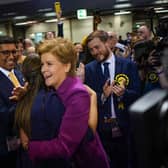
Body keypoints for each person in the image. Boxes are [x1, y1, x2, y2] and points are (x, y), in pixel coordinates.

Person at [18, 38, 110, 168]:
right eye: (42, 64)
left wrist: (29, 146)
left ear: (67, 66)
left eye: (49, 64)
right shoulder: (58, 87)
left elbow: (65, 147)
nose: (43, 69)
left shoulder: (76, 94)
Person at [82, 30, 141, 168]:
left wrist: (123, 94)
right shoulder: (89, 69)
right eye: (91, 50)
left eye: (97, 47)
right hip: (102, 131)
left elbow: (138, 95)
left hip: (126, 128)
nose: (95, 52)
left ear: (107, 43)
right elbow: (87, 101)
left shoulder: (128, 65)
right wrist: (102, 96)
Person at [0, 36, 25, 168]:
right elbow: (3, 116)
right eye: (5, 53)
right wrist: (24, 100)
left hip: (26, 143)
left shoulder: (19, 73)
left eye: (14, 52)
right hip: (6, 148)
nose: (11, 56)